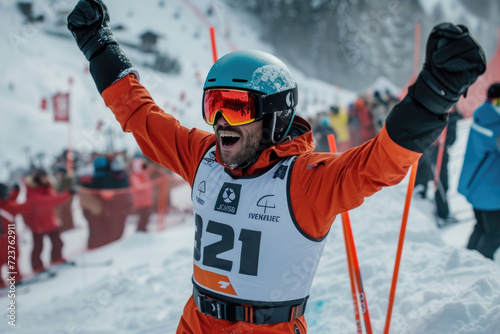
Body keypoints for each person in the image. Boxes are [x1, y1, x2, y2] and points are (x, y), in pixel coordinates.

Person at [67, 2, 485, 332]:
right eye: (214, 106)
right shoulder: (204, 158)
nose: (220, 123)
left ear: (273, 117)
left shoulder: (306, 180)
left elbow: (378, 163)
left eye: (236, 107)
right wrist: (100, 48)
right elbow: (142, 116)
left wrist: (431, 97)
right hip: (197, 324)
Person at [458, 83, 500, 260]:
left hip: (476, 187)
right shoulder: (494, 126)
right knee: (494, 234)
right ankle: (478, 268)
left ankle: (467, 260)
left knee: (482, 227)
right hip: (490, 191)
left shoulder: (483, 114)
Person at [414, 106, 462, 227]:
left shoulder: (438, 105)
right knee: (439, 182)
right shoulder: (440, 108)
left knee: (437, 182)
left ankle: (440, 213)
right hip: (434, 149)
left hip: (432, 148)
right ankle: (441, 214)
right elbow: (450, 139)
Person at [22, 169, 72, 273]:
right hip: (37, 224)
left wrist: (68, 192)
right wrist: (67, 194)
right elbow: (48, 201)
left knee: (58, 243)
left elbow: (54, 198)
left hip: (50, 222)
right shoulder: (32, 192)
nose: (45, 179)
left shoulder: (47, 188)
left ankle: (57, 260)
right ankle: (38, 268)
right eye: (42, 177)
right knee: (38, 247)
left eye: (46, 177)